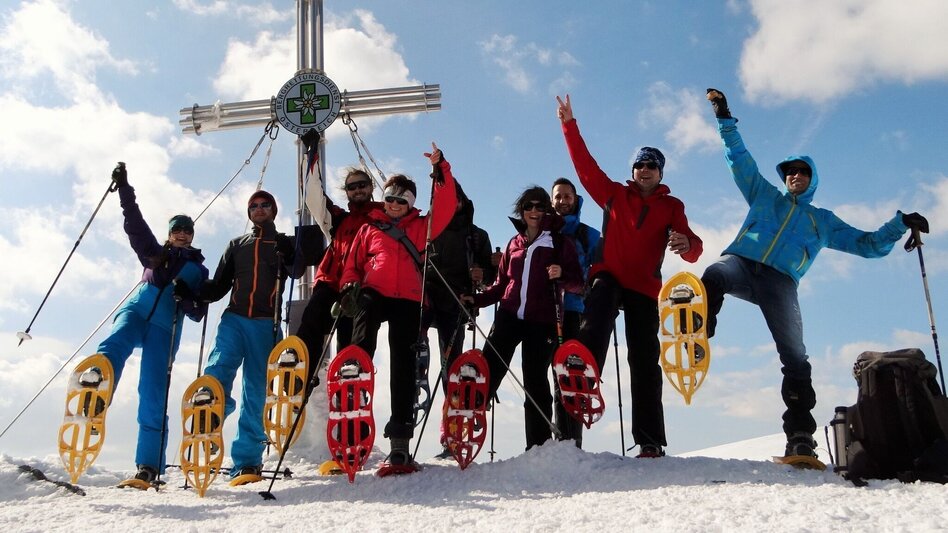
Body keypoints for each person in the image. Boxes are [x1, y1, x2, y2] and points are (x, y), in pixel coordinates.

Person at [702, 88, 930, 459]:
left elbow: (868, 244)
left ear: (812, 179)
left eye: (802, 172)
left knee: (795, 357)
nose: (795, 176)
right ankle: (697, 330)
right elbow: (739, 160)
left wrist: (900, 223)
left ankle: (800, 437)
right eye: (790, 171)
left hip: (781, 283)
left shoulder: (821, 221)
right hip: (742, 264)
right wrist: (724, 118)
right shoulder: (764, 195)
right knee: (713, 274)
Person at [557, 94, 703, 458]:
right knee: (599, 311)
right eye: (640, 165)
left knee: (644, 358)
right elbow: (585, 168)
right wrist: (569, 125)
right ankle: (584, 370)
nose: (645, 170)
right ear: (633, 170)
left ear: (661, 173)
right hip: (609, 275)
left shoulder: (672, 206)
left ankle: (650, 440)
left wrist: (686, 243)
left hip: (644, 288)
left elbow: (694, 248)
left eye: (652, 165)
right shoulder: (614, 195)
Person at [339, 142, 457, 473]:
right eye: (389, 198)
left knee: (403, 365)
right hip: (374, 290)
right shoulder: (369, 228)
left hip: (407, 297)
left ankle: (400, 443)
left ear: (410, 205)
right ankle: (355, 372)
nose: (392, 204)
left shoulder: (422, 228)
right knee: (364, 328)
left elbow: (447, 205)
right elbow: (354, 264)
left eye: (400, 201)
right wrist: (349, 283)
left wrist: (440, 170)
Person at [95, 163, 208, 483]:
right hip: (137, 311)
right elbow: (136, 228)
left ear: (192, 235)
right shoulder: (156, 255)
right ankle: (96, 391)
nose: (183, 233)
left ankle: (148, 466)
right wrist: (126, 193)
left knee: (153, 392)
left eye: (187, 229)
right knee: (114, 345)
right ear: (170, 234)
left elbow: (199, 312)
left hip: (164, 327)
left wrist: (188, 297)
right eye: (177, 229)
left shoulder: (198, 271)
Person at [179, 189, 303, 479]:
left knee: (257, 392)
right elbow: (219, 286)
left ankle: (247, 460)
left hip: (265, 323)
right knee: (217, 371)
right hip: (234, 319)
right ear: (249, 213)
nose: (259, 209)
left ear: (273, 210)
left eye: (265, 205)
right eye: (254, 206)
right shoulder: (237, 244)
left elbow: (296, 272)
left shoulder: (283, 242)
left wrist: (288, 252)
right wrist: (192, 291)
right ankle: (209, 421)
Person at [465, 186, 583, 450]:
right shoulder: (514, 243)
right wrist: (478, 299)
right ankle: (469, 417)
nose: (533, 211)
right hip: (509, 314)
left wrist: (561, 274)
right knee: (490, 366)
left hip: (542, 321)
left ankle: (538, 446)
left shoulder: (559, 242)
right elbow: (501, 284)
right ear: (521, 210)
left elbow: (578, 283)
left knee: (535, 379)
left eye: (539, 206)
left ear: (547, 210)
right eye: (528, 206)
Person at [293, 167, 382, 386]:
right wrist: (310, 154)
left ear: (371, 188)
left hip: (361, 286)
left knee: (350, 336)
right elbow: (315, 198)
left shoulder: (383, 215)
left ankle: (350, 384)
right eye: (352, 187)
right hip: (332, 282)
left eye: (362, 185)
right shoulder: (339, 219)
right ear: (347, 191)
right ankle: (299, 378)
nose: (358, 189)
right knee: (312, 318)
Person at [550, 177, 601, 447]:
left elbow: (604, 266)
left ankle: (572, 441)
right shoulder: (542, 232)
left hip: (576, 312)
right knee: (555, 377)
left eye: (567, 196)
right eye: (558, 196)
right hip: (546, 313)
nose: (562, 201)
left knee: (572, 377)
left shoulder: (587, 234)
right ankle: (559, 441)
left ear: (575, 199)